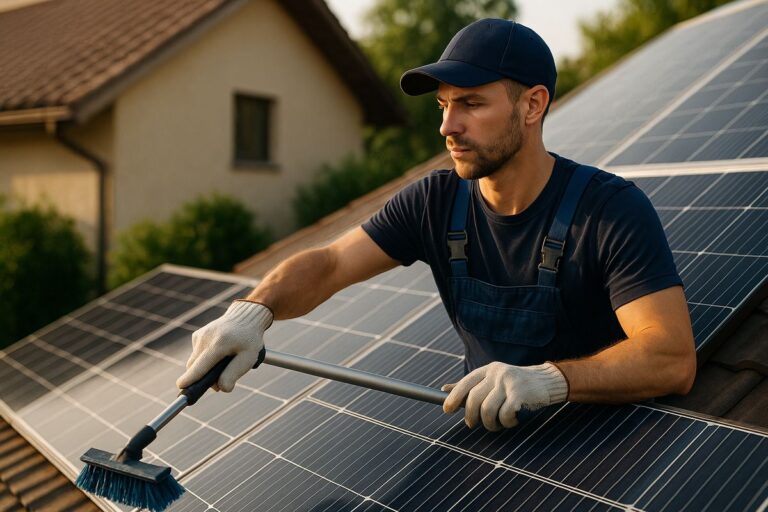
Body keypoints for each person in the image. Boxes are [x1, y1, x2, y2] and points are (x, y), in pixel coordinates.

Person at [177, 19, 696, 432]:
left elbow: (670, 357)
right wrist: (252, 312)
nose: (448, 126)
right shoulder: (437, 199)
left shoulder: (609, 210)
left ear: (533, 105)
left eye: (471, 103)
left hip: (605, 450)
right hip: (487, 439)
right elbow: (331, 262)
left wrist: (549, 381)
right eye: (444, 105)